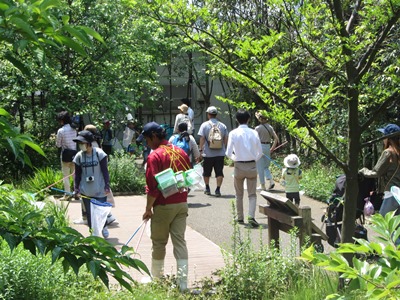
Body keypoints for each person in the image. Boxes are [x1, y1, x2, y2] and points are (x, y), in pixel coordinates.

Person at [138, 122, 191, 291]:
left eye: (147, 139)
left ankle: (157, 280)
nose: (147, 143)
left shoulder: (155, 156)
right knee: (180, 242)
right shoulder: (181, 152)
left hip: (164, 205)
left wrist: (148, 209)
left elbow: (152, 188)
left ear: (154, 136)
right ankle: (183, 284)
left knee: (159, 243)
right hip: (182, 203)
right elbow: (189, 177)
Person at [73, 124, 117, 226]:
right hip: (86, 192)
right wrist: (76, 188)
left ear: (89, 143)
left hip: (100, 190)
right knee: (89, 216)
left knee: (101, 213)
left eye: (82, 142)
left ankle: (104, 227)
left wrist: (107, 185)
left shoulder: (99, 154)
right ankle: (93, 234)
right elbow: (78, 174)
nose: (80, 145)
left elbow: (105, 171)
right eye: (79, 143)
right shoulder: (78, 156)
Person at [226, 109, 263, 227]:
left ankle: (240, 217)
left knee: (239, 194)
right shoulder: (254, 132)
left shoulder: (233, 133)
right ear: (248, 119)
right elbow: (260, 152)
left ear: (236, 119)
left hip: (239, 165)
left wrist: (235, 158)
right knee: (252, 194)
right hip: (252, 165)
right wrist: (253, 159)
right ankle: (251, 216)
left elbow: (228, 152)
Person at [359, 124, 400, 216]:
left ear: (388, 138)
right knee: (396, 226)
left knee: (383, 222)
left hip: (392, 194)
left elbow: (376, 172)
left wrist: (363, 170)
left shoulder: (388, 153)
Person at [198, 106, 228, 197]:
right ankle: (218, 189)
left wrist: (200, 150)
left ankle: (207, 188)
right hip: (220, 153)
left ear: (208, 115)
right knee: (219, 172)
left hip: (208, 153)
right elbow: (226, 139)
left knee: (206, 172)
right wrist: (224, 148)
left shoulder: (204, 125)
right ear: (216, 114)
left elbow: (202, 138)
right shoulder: (223, 126)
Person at [254, 111, 279, 190]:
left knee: (260, 167)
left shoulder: (257, 128)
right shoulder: (270, 127)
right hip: (268, 146)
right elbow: (276, 139)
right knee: (266, 166)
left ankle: (262, 185)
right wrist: (272, 148)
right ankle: (271, 181)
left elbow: (254, 140)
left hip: (260, 147)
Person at [56, 111, 77, 200]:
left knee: (66, 176)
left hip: (65, 156)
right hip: (75, 155)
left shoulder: (61, 131)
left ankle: (67, 194)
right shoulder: (74, 129)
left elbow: (58, 145)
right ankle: (77, 193)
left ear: (62, 121)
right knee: (75, 175)